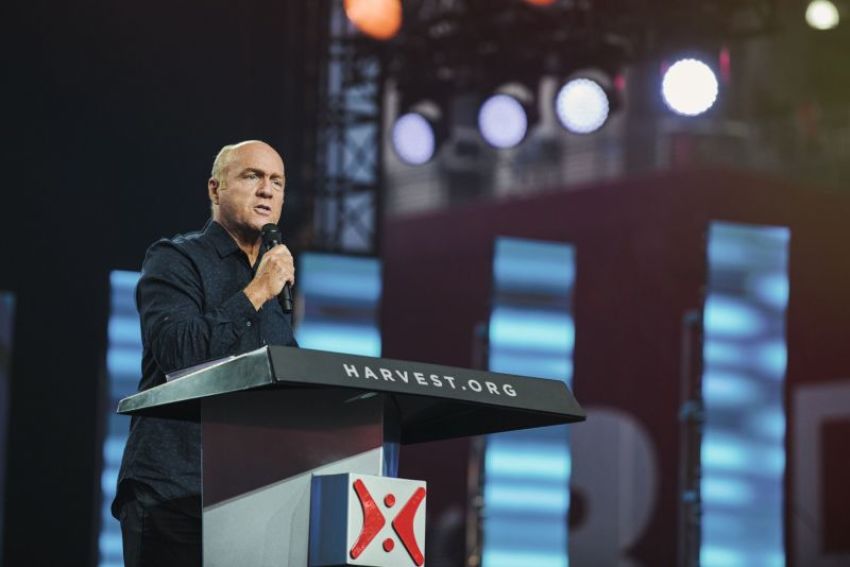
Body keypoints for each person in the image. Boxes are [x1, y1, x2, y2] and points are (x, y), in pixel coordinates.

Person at [112, 140, 298, 567]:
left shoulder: (274, 275)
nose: (267, 190)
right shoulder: (175, 259)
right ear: (215, 189)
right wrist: (255, 293)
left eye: (277, 182)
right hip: (173, 494)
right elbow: (180, 353)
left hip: (251, 497)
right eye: (252, 177)